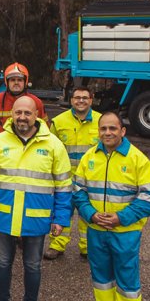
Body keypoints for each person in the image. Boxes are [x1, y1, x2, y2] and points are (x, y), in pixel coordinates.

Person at [0, 96, 72, 301]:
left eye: (27, 113)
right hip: (4, 218)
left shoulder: (53, 145)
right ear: (11, 114)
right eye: (18, 112)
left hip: (36, 220)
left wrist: (61, 218)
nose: (22, 117)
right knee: (3, 265)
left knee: (33, 267)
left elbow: (64, 186)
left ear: (38, 116)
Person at [73, 111, 150, 301]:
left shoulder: (137, 159)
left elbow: (149, 198)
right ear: (98, 131)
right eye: (103, 129)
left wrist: (122, 218)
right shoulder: (90, 156)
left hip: (125, 233)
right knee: (101, 279)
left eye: (113, 128)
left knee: (128, 284)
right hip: (97, 231)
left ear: (123, 131)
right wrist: (90, 214)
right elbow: (78, 191)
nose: (107, 133)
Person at [44, 87, 101, 260]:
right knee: (62, 212)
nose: (81, 101)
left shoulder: (100, 121)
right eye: (77, 97)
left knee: (88, 215)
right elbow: (50, 148)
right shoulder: (59, 121)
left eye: (85, 97)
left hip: (90, 180)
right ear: (71, 100)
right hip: (65, 179)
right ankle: (57, 245)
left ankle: (87, 248)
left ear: (91, 100)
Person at [0, 62, 47, 141]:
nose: (16, 83)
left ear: (25, 82)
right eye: (13, 80)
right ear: (7, 82)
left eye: (19, 80)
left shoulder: (36, 102)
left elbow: (44, 127)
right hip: (2, 148)